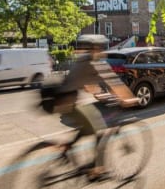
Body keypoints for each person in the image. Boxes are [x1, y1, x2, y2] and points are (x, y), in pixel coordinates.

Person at [40, 34, 138, 181]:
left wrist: (101, 94)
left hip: (61, 100)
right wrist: (130, 99)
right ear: (97, 48)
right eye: (103, 47)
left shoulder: (81, 60)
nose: (104, 51)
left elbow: (87, 84)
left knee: (89, 122)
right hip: (67, 102)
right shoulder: (95, 63)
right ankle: (97, 169)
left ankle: (68, 147)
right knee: (98, 126)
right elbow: (115, 84)